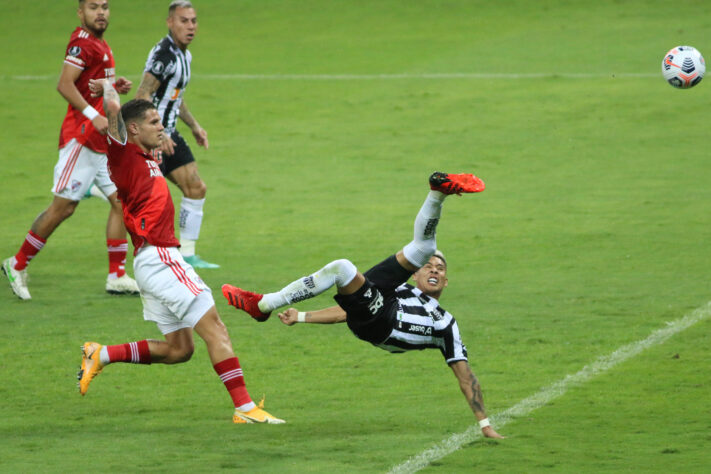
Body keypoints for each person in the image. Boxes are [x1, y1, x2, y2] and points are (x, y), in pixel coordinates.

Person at [222, 172, 504, 438]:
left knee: (343, 268)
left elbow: (466, 377)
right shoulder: (403, 289)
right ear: (415, 274)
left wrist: (485, 424)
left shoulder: (446, 324)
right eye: (428, 267)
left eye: (440, 269)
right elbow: (346, 312)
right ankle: (437, 193)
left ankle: (262, 305)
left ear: (446, 281)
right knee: (423, 247)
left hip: (381, 322)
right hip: (382, 303)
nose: (434, 270)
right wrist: (302, 317)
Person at [77, 78, 284, 424]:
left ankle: (101, 354)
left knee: (180, 350)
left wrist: (159, 138)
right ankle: (246, 409)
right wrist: (108, 85)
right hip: (160, 259)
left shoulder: (143, 155)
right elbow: (113, 109)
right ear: (133, 129)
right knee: (215, 327)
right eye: (155, 122)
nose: (162, 126)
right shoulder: (123, 152)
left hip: (153, 260)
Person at [2, 0, 139, 300]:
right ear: (81, 12)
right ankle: (17, 263)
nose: (101, 12)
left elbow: (90, 85)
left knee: (121, 202)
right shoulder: (82, 43)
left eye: (104, 6)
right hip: (82, 139)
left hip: (99, 143)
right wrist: (95, 116)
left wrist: (114, 86)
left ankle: (116, 276)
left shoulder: (100, 44)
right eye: (93, 7)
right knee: (63, 207)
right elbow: (65, 85)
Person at [134, 0, 217, 269]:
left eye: (193, 21)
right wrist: (157, 131)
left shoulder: (184, 55)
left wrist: (194, 126)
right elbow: (142, 94)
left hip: (170, 133)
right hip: (154, 137)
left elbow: (175, 97)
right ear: (170, 23)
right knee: (152, 201)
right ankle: (147, 260)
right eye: (183, 21)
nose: (190, 26)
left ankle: (188, 255)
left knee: (196, 187)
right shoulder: (164, 56)